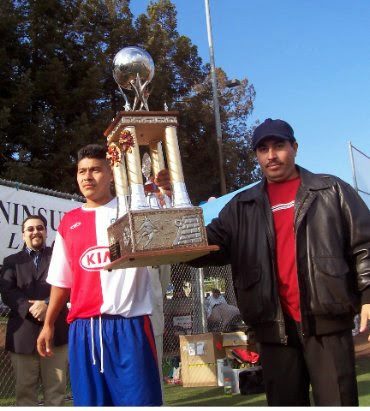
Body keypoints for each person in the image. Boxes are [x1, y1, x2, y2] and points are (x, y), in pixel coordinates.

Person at [191, 118, 370, 406]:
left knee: (338, 401)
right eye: (263, 149)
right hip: (273, 331)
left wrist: (368, 296)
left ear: (294, 147)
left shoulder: (332, 191)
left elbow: (364, 244)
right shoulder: (241, 207)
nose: (271, 155)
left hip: (327, 323)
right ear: (257, 156)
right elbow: (202, 247)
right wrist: (170, 208)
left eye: (278, 146)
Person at [36, 144, 165, 406]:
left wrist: (166, 192)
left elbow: (168, 223)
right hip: (84, 330)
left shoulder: (133, 210)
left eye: (95, 170)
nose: (87, 177)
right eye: (82, 171)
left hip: (129, 326)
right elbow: (62, 281)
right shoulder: (68, 223)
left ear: (110, 173)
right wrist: (48, 324)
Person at [0, 215, 69, 406]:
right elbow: (7, 292)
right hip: (23, 336)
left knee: (56, 393)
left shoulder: (58, 256)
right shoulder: (11, 261)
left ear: (46, 232)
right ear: (23, 235)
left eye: (40, 228)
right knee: (24, 394)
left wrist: (48, 303)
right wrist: (30, 307)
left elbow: (68, 285)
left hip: (56, 334)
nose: (35, 232)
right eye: (30, 229)